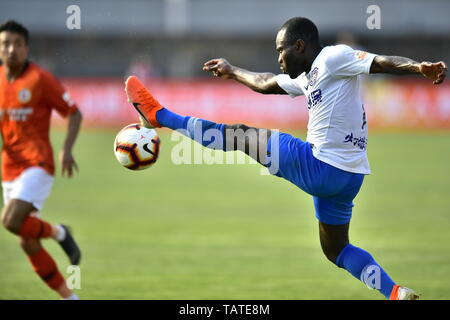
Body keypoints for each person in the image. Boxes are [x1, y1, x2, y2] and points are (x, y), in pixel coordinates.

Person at [125, 17, 446, 300]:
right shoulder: (307, 77)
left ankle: (159, 115)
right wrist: (232, 70)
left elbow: (380, 62)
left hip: (321, 166)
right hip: (348, 179)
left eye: (282, 50)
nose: (278, 57)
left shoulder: (334, 57)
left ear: (300, 46)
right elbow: (265, 83)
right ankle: (394, 292)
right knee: (336, 250)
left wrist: (417, 67)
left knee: (241, 136)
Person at [0, 21, 83, 300]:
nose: (11, 49)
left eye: (17, 44)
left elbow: (74, 113)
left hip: (38, 164)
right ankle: (71, 298)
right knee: (28, 242)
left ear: (26, 48)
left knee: (10, 220)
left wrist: (66, 149)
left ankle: (59, 233)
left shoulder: (40, 79)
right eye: (5, 44)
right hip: (9, 168)